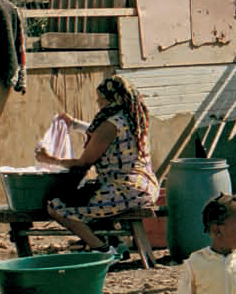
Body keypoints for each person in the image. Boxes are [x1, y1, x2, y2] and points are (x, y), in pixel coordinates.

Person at [36, 74, 161, 252]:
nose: (98, 103)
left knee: (57, 207)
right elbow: (104, 137)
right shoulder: (131, 119)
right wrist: (74, 124)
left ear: (111, 100)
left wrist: (48, 159)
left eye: (100, 100)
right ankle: (115, 245)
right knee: (87, 198)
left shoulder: (109, 125)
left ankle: (102, 249)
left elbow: (84, 163)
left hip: (124, 190)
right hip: (145, 186)